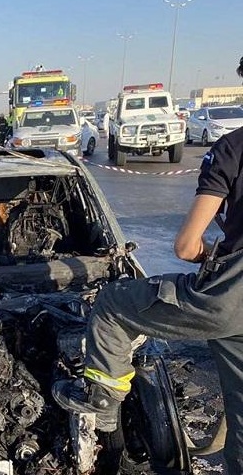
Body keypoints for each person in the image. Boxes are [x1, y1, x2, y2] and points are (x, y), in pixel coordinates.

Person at [52, 55, 243, 474]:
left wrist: (213, 259)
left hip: (234, 297)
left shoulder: (233, 148)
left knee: (113, 303)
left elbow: (186, 246)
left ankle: (104, 407)